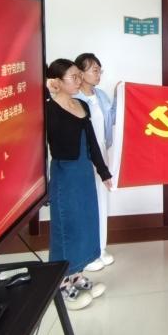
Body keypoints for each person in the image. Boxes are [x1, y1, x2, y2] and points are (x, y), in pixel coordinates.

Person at [45, 59, 112, 311]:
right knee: (67, 226)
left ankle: (77, 275)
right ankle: (61, 283)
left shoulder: (81, 105)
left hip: (85, 172)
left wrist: (103, 171)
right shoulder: (48, 109)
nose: (78, 81)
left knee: (86, 222)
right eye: (73, 77)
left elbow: (92, 141)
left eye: (78, 76)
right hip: (65, 174)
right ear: (56, 82)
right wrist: (46, 89)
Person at [74, 52, 116, 271]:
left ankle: (100, 248)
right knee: (87, 202)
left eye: (100, 70)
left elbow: (113, 117)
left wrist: (120, 96)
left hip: (101, 152)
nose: (98, 74)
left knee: (102, 201)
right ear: (80, 73)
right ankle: (87, 252)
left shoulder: (100, 96)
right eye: (94, 70)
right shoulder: (73, 99)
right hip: (83, 156)